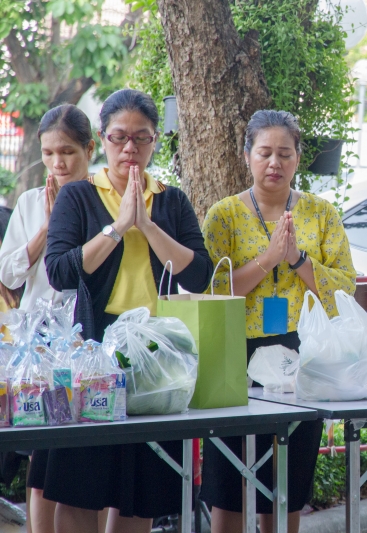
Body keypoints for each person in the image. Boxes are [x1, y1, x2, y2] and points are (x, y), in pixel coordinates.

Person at [44, 89, 213, 533]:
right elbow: (60, 271)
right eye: (119, 137)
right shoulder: (78, 196)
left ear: (155, 140)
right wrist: (118, 227)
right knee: (82, 483)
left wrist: (148, 226)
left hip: (157, 354)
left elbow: (200, 275)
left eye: (142, 138)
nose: (130, 148)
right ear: (102, 140)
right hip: (93, 351)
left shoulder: (171, 200)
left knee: (141, 491)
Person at [200, 110, 356, 533]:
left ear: (298, 158)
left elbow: (344, 288)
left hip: (301, 350)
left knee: (286, 475)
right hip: (235, 351)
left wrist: (298, 260)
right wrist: (268, 260)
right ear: (246, 156)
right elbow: (212, 291)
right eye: (264, 152)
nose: (275, 163)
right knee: (229, 477)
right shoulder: (224, 215)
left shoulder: (321, 214)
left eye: (285, 154)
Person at [0, 104, 95, 533]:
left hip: (88, 339)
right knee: (43, 448)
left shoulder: (101, 197)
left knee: (84, 449)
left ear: (89, 150)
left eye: (68, 152)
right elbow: (9, 273)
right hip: (39, 343)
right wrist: (48, 229)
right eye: (50, 153)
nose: (58, 163)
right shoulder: (29, 202)